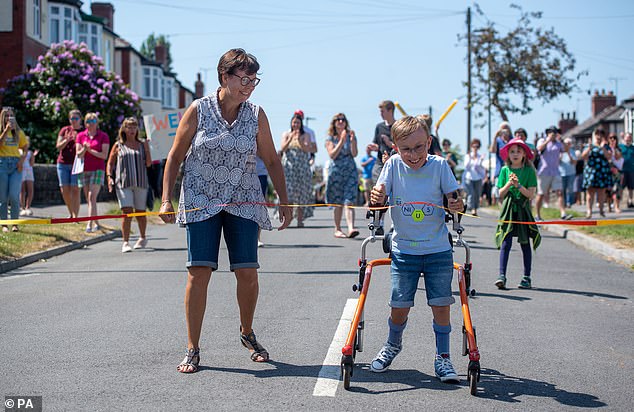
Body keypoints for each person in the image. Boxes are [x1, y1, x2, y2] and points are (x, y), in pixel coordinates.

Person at [158, 48, 292, 373]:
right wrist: (165, 198)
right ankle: (192, 347)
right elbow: (175, 156)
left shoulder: (256, 114)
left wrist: (284, 201)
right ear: (224, 77)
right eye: (243, 78)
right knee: (199, 272)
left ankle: (247, 332)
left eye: (253, 79)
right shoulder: (198, 110)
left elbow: (272, 160)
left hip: (243, 199)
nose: (249, 85)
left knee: (247, 272)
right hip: (201, 198)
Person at [368, 116, 463, 382]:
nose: (413, 155)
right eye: (406, 148)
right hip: (404, 250)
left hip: (437, 249)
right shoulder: (392, 165)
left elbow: (457, 200)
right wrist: (376, 198)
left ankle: (443, 357)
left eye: (420, 147)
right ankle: (392, 344)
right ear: (396, 147)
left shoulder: (440, 166)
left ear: (429, 143)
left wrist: (457, 206)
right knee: (399, 305)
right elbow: (378, 199)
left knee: (441, 304)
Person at [494, 137, 541, 290]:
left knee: (525, 242)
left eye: (518, 151)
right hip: (508, 209)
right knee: (506, 242)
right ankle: (502, 275)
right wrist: (509, 183)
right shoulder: (504, 170)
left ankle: (527, 277)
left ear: (524, 155)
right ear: (508, 154)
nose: (515, 154)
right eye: (512, 151)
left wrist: (518, 185)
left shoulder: (529, 171)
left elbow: (531, 195)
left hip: (523, 210)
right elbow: (499, 194)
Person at [106, 117, 152, 252]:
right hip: (123, 183)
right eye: (129, 127)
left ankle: (142, 237)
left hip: (141, 182)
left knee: (140, 212)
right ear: (124, 129)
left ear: (137, 129)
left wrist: (148, 149)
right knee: (126, 212)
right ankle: (125, 242)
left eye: (134, 126)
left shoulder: (142, 144)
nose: (132, 129)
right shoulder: (118, 145)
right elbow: (110, 163)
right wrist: (109, 177)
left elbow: (148, 164)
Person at [325, 112, 359, 239]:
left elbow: (354, 153)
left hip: (350, 170)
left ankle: (351, 228)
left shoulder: (350, 135)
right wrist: (341, 141)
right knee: (338, 202)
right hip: (336, 172)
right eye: (338, 120)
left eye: (343, 119)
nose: (340, 121)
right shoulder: (330, 138)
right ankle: (338, 228)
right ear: (334, 123)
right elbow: (332, 154)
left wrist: (352, 141)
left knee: (349, 200)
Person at [76, 112, 109, 233]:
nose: (91, 124)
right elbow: (78, 155)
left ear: (97, 123)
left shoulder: (103, 136)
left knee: (91, 196)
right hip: (84, 169)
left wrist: (90, 150)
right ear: (85, 123)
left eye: (93, 121)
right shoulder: (80, 136)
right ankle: (96, 222)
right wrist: (84, 149)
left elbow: (104, 155)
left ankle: (89, 223)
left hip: (98, 169)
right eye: (88, 121)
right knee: (89, 198)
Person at [280, 113, 313, 227]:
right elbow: (282, 148)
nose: (296, 124)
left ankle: (300, 219)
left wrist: (299, 139)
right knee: (289, 193)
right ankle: (288, 219)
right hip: (289, 167)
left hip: (302, 167)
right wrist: (290, 138)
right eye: (294, 122)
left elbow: (307, 148)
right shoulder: (286, 134)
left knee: (301, 193)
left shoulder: (306, 135)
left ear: (301, 124)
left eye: (298, 122)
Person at [0, 107, 29, 233]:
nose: (9, 118)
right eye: (7, 116)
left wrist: (22, 160)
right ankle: (4, 224)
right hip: (2, 163)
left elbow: (25, 147)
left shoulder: (19, 132)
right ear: (3, 118)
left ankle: (15, 223)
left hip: (16, 164)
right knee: (3, 198)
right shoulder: (2, 130)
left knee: (14, 196)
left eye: (11, 116)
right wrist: (6, 130)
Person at [535, 126, 571, 221]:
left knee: (560, 192)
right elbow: (539, 148)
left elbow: (566, 149)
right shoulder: (542, 140)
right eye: (552, 132)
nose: (554, 134)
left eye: (555, 132)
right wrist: (548, 141)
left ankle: (563, 213)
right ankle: (537, 215)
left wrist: (562, 140)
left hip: (555, 171)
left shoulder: (558, 144)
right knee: (541, 193)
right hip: (544, 172)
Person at [56, 110, 82, 218]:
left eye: (76, 118)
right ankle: (71, 213)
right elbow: (58, 146)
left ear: (80, 119)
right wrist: (66, 140)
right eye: (72, 118)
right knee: (64, 190)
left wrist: (77, 140)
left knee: (75, 189)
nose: (74, 121)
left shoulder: (83, 131)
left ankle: (75, 216)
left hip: (77, 163)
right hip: (63, 163)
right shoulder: (65, 130)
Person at [581, 127, 612, 218]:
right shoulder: (590, 145)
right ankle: (589, 211)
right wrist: (589, 149)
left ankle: (601, 210)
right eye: (597, 134)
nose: (599, 136)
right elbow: (583, 156)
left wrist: (603, 148)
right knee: (590, 193)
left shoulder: (606, 146)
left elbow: (609, 157)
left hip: (602, 172)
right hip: (591, 172)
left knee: (601, 193)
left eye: (600, 134)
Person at [369, 100, 396, 181]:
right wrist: (374, 147)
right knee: (379, 184)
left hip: (394, 162)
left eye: (382, 111)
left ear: (390, 110)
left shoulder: (398, 126)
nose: (380, 114)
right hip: (380, 162)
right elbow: (377, 145)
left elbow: (403, 146)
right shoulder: (379, 127)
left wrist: (389, 143)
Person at [489, 122, 512, 204]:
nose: (504, 130)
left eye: (506, 128)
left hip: (512, 169)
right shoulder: (498, 141)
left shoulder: (513, 140)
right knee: (499, 192)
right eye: (502, 128)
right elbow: (492, 150)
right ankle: (502, 212)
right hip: (499, 170)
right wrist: (495, 137)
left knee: (510, 191)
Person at [463, 138, 486, 215]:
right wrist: (470, 158)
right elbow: (466, 166)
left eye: (477, 146)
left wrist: (480, 160)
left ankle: (475, 208)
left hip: (478, 178)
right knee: (471, 193)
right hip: (469, 178)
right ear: (471, 146)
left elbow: (481, 167)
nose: (475, 148)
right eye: (474, 146)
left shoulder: (480, 156)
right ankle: (472, 208)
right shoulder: (468, 156)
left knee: (477, 194)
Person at [559, 137, 577, 208]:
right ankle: (564, 203)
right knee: (562, 189)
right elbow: (557, 162)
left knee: (570, 188)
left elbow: (574, 162)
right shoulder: (560, 152)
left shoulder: (572, 151)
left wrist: (568, 153)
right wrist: (562, 154)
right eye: (565, 144)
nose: (567, 145)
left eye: (568, 143)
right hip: (562, 173)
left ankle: (569, 202)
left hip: (571, 173)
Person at [607, 133, 623, 213]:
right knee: (609, 189)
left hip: (617, 172)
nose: (612, 139)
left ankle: (616, 206)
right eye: (610, 138)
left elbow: (617, 157)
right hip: (608, 172)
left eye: (614, 138)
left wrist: (614, 148)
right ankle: (609, 206)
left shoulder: (619, 149)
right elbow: (607, 158)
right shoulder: (606, 148)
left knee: (617, 189)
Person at [19, 145, 37, 216]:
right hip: (21, 171)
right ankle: (22, 208)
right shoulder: (19, 152)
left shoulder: (30, 153)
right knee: (22, 190)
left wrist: (33, 157)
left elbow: (31, 164)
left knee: (30, 190)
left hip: (29, 171)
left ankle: (28, 207)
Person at [620, 132, 634, 208]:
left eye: (630, 137)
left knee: (631, 187)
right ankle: (619, 202)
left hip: (631, 170)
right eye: (627, 137)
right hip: (622, 170)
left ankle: (630, 201)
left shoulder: (633, 148)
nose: (628, 138)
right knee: (621, 187)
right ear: (624, 138)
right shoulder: (620, 147)